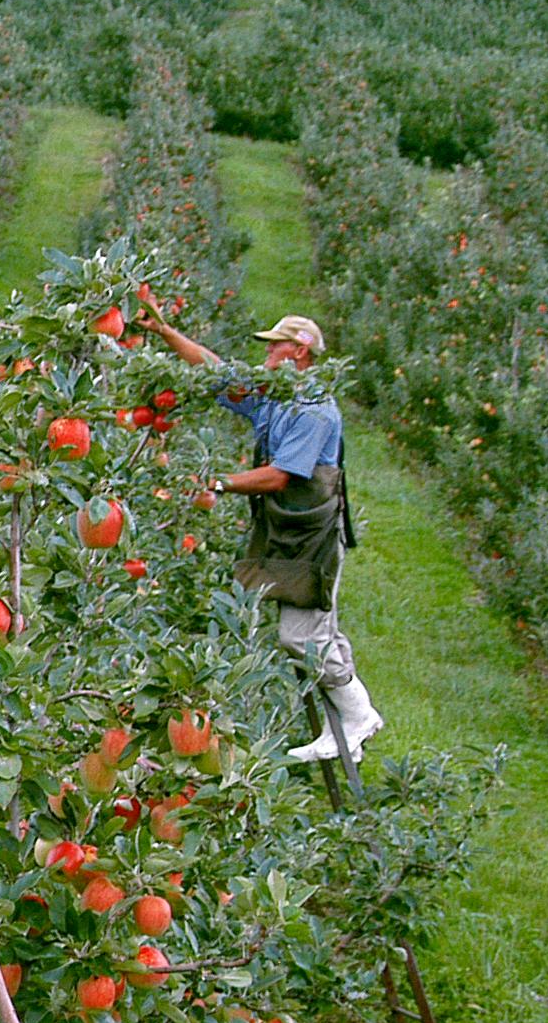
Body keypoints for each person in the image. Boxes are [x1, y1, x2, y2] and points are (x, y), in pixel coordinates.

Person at [133, 288, 382, 764]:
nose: (266, 353)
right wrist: (166, 332)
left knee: (302, 635)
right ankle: (347, 721)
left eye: (274, 346)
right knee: (316, 627)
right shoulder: (279, 396)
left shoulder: (314, 410)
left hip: (313, 537)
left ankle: (357, 715)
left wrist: (214, 484)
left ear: (300, 352)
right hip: (289, 531)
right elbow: (216, 371)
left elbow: (281, 476)